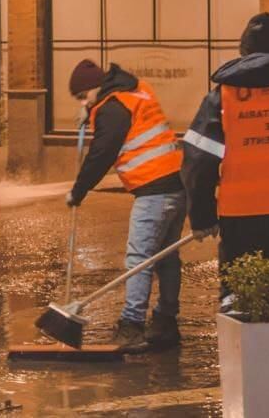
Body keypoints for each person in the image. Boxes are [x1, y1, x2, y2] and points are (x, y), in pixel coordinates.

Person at [181, 13, 269, 311]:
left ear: (244, 50)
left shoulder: (224, 94)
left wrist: (202, 215)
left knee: (239, 294)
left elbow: (198, 158)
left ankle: (245, 354)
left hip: (242, 214)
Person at [66, 59, 185, 353]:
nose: (84, 103)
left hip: (154, 189)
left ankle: (131, 326)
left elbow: (102, 153)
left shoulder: (112, 107)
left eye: (83, 97)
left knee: (139, 259)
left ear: (94, 88)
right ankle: (166, 322)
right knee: (167, 257)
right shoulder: (136, 90)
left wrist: (78, 191)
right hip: (177, 183)